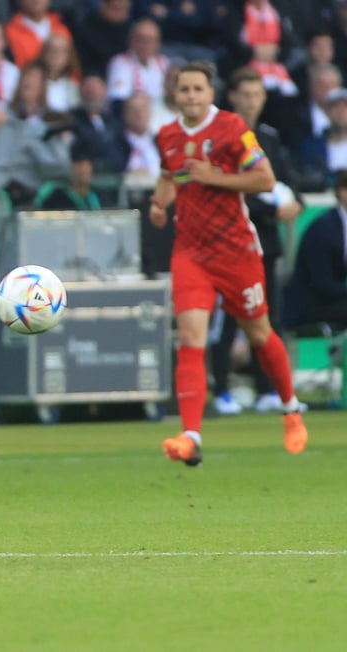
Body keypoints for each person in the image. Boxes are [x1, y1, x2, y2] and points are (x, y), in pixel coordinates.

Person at [150, 61, 308, 466]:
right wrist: (159, 203)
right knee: (191, 337)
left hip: (237, 251)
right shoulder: (167, 135)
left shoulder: (232, 128)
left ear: (210, 93)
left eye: (197, 89)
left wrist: (213, 177)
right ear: (175, 94)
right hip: (191, 252)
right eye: (184, 89)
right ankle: (190, 436)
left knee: (259, 334)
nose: (191, 96)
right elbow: (169, 176)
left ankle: (290, 408)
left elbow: (265, 180)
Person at [210, 66, 304, 416]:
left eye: (257, 95)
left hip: (266, 244)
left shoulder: (269, 138)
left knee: (267, 318)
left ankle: (267, 390)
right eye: (245, 95)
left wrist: (296, 203)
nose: (251, 102)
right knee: (228, 320)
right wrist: (272, 208)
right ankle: (222, 390)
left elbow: (288, 180)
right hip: (231, 243)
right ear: (233, 97)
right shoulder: (221, 138)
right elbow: (226, 189)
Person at [282, 171, 347, 330]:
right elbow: (321, 283)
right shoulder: (324, 229)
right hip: (310, 304)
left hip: (334, 299)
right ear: (342, 191)